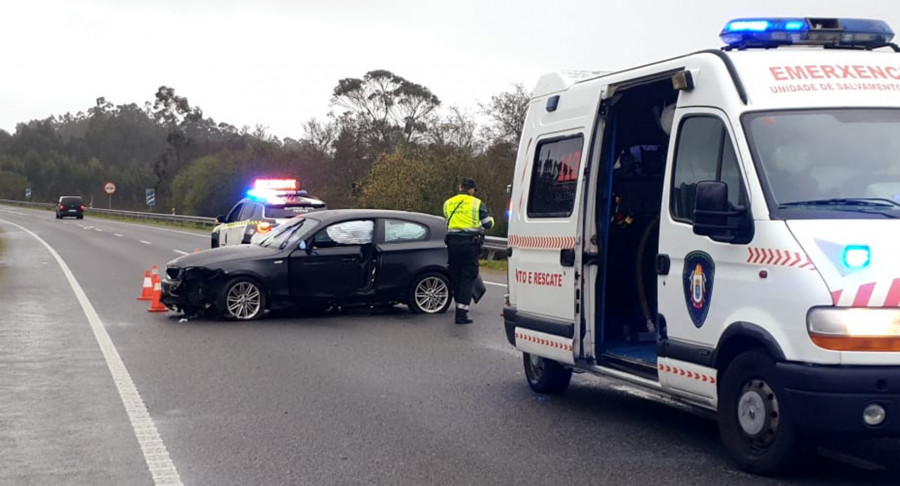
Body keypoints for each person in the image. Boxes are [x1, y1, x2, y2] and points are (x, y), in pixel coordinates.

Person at [443, 177, 494, 324]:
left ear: (460, 187)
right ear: (471, 190)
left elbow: (448, 220)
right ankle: (461, 314)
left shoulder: (448, 203)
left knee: (456, 275)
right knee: (468, 277)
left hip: (452, 244)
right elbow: (487, 224)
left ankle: (458, 307)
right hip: (469, 244)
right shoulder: (476, 203)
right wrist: (492, 219)